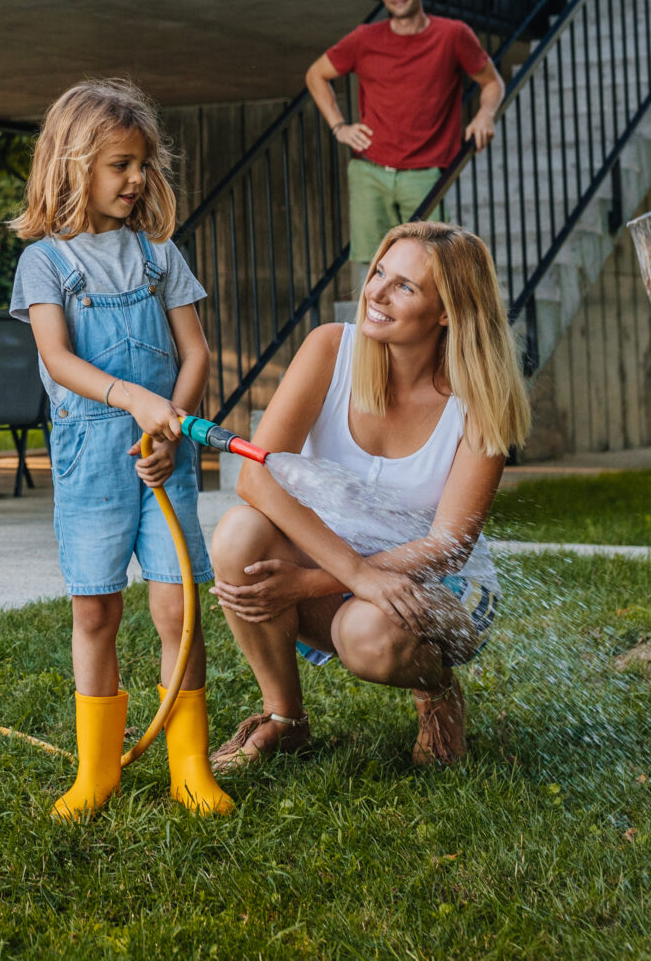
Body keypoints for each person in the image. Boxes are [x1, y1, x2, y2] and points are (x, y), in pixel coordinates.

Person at [205, 221, 531, 769]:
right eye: (379, 271)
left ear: (447, 312)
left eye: (404, 285)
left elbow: (449, 544)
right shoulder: (330, 349)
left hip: (440, 587)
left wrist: (315, 581)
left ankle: (438, 691)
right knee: (240, 534)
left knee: (367, 635)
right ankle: (284, 719)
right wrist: (354, 575)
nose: (375, 292)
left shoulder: (478, 400)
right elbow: (254, 477)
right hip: (347, 565)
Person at [7, 78, 231, 818]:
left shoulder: (161, 254)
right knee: (96, 612)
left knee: (178, 609)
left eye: (143, 164)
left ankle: (189, 765)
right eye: (120, 164)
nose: (137, 179)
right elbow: (59, 359)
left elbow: (194, 354)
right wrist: (134, 398)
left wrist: (172, 426)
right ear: (73, 165)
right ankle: (96, 771)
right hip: (91, 458)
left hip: (163, 455)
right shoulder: (45, 262)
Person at [305, 0, 505, 266]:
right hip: (370, 170)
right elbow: (316, 74)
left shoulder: (453, 35)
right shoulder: (364, 38)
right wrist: (339, 126)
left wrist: (485, 114)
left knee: (436, 263)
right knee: (371, 266)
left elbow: (492, 82)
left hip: (426, 173)